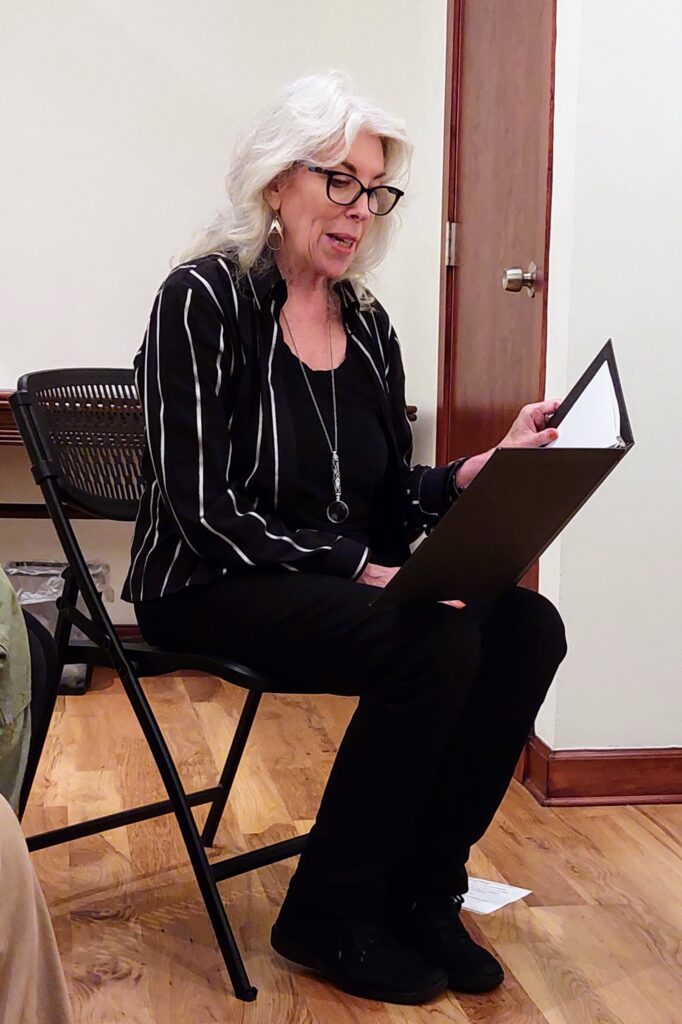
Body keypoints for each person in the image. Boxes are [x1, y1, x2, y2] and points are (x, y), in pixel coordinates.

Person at [123, 71, 568, 1006]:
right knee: (433, 640)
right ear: (279, 180)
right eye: (340, 182)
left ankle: (422, 888)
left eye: (374, 191)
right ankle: (328, 912)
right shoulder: (201, 300)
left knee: (528, 626)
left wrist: (464, 477)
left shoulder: (365, 323)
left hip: (325, 576)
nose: (360, 210)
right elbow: (200, 505)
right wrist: (357, 567)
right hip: (206, 577)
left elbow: (384, 496)